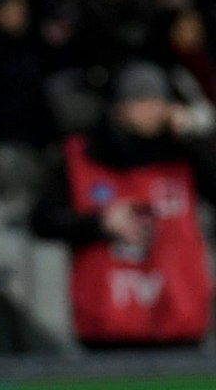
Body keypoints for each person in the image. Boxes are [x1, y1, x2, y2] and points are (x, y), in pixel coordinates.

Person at [29, 60, 216, 350]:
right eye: (141, 101)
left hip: (179, 317)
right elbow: (41, 220)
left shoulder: (184, 153)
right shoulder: (81, 156)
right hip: (108, 323)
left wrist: (197, 140)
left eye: (158, 101)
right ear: (119, 106)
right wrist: (99, 223)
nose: (151, 111)